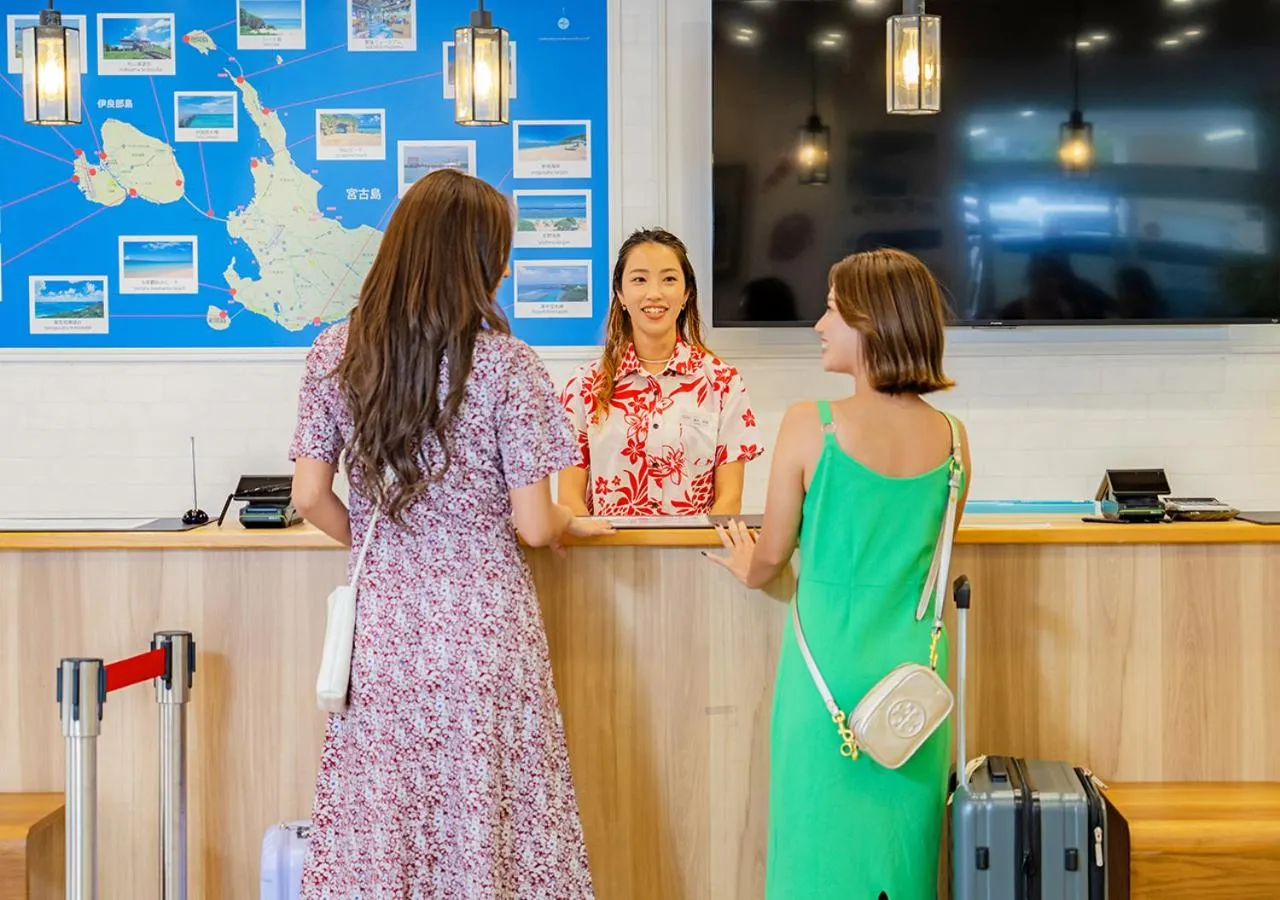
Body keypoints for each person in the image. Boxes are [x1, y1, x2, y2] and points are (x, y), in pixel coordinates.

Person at [288, 168, 609, 898]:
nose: (506, 265)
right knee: (495, 819)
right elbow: (535, 523)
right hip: (487, 627)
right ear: (474, 259)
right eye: (499, 249)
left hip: (387, 630)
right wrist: (572, 524)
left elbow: (310, 496)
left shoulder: (335, 353)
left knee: (388, 826)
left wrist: (385, 542)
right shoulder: (508, 363)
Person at [705, 248, 972, 900]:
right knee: (899, 864)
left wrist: (748, 565)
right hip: (913, 688)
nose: (820, 324)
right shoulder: (955, 441)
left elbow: (771, 555)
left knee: (814, 860)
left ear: (872, 322)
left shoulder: (811, 424)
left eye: (831, 309)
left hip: (823, 684)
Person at [558, 228, 764, 516]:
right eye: (639, 280)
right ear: (620, 293)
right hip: (606, 556)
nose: (654, 294)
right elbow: (569, 500)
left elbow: (729, 500)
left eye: (668, 279)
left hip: (696, 556)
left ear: (686, 293)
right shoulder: (584, 385)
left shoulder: (723, 382)